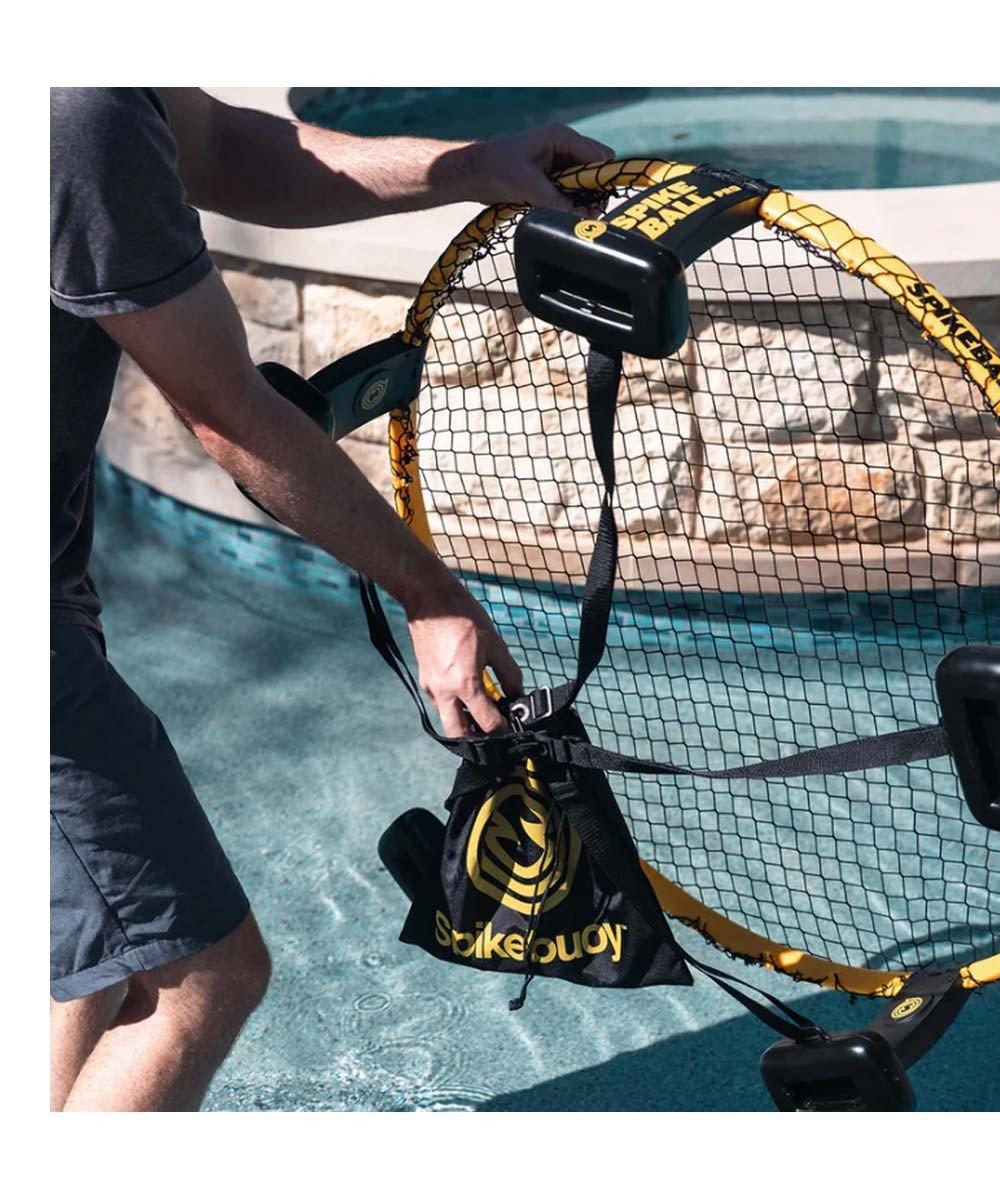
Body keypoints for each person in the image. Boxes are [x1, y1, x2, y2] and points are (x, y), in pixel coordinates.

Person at [50, 87, 613, 1111]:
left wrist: (470, 165)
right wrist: (431, 596)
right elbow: (227, 411)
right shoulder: (73, 104)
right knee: (196, 980)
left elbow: (219, 145)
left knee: (90, 959)